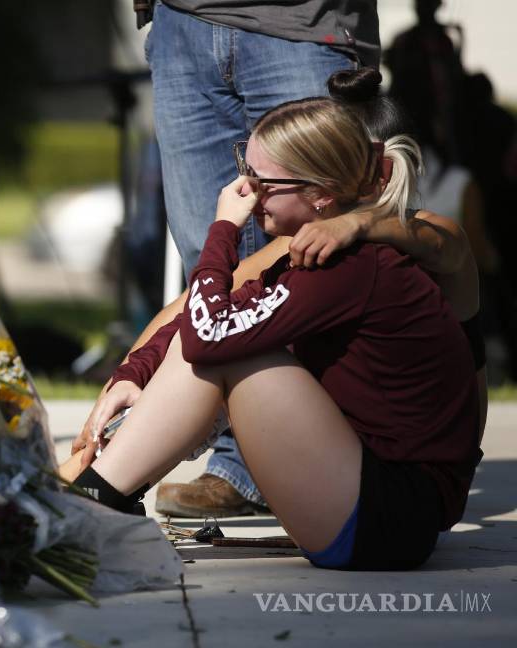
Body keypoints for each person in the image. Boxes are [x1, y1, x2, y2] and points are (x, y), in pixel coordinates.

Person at [61, 92, 481, 570]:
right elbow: (202, 316)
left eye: (262, 181)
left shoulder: (347, 266)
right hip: (375, 508)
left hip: (388, 524)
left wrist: (223, 231)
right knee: (226, 335)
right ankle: (93, 501)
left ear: (322, 193)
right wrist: (133, 373)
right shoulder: (315, 255)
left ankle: (83, 511)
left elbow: (207, 335)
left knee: (231, 350)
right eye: (246, 170)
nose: (245, 190)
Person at [140, 0, 381, 517]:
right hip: (182, 20)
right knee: (205, 257)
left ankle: (326, 458)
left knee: (315, 250)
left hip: (302, 22)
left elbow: (417, 230)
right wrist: (131, 374)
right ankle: (240, 458)